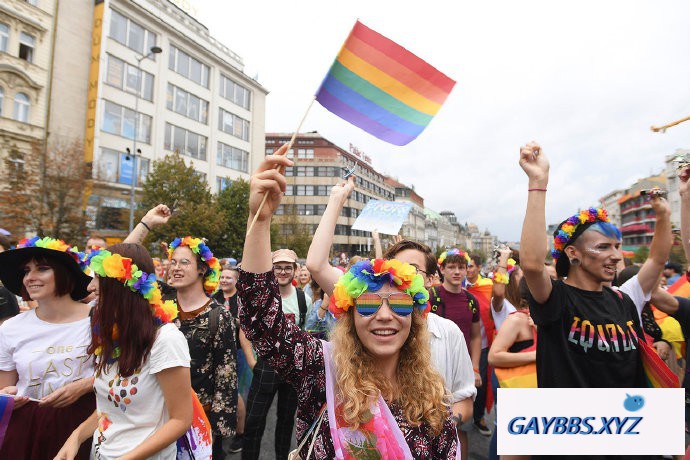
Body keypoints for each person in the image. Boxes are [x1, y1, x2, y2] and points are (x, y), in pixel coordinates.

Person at [239, 148, 460, 458]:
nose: (385, 316)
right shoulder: (322, 370)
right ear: (351, 314)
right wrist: (260, 220)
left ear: (414, 317)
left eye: (398, 304)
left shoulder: (433, 400)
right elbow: (261, 320)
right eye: (369, 304)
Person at [519, 141, 646, 388]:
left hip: (626, 420)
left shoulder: (623, 302)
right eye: (603, 247)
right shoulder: (558, 299)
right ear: (573, 254)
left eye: (617, 247)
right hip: (572, 423)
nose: (616, 256)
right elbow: (533, 265)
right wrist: (538, 182)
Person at [55, 244, 192, 459]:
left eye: (99, 277)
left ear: (122, 284)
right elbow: (108, 407)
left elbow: (180, 420)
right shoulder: (112, 334)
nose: (90, 286)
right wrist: (76, 436)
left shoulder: (165, 340)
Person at [124, 206, 238, 459]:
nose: (175, 267)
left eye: (184, 262)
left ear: (201, 269)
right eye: (172, 262)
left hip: (198, 421)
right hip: (154, 414)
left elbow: (226, 378)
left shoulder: (218, 316)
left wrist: (214, 436)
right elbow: (120, 262)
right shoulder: (158, 300)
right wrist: (146, 223)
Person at [0, 237, 95, 459]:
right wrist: (6, 399)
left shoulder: (98, 320)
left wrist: (85, 385)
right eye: (26, 271)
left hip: (85, 427)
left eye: (42, 269)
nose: (30, 277)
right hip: (27, 430)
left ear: (65, 272)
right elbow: (5, 388)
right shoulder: (11, 328)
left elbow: (122, 377)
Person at [242, 248, 312, 460]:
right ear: (271, 270)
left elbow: (306, 333)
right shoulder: (262, 298)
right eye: (278, 267)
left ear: (294, 270)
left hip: (291, 369)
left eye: (287, 268)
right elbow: (245, 329)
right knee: (254, 422)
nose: (282, 272)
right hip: (265, 366)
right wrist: (252, 361)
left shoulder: (303, 299)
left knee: (285, 422)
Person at [464, 253, 493, 437]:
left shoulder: (487, 287)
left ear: (479, 268)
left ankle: (479, 417)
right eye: (465, 266)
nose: (467, 270)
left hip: (481, 344)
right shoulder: (457, 286)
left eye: (471, 266)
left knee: (479, 383)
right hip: (461, 345)